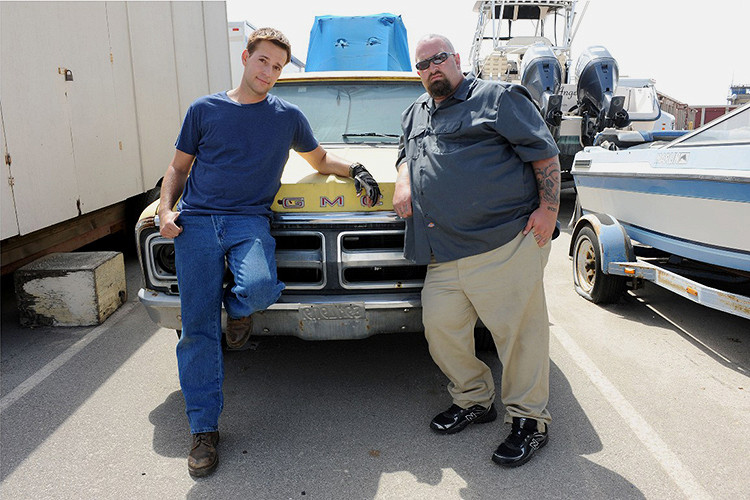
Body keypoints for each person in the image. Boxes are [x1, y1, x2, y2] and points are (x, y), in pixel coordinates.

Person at [158, 27, 381, 478]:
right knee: (197, 330)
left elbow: (320, 160)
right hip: (197, 223)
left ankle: (238, 310)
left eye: (277, 67)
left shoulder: (287, 116)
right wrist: (165, 210)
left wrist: (356, 167)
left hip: (248, 221)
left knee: (259, 288)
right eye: (263, 61)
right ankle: (203, 429)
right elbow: (178, 167)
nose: (269, 72)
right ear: (246, 57)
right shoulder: (204, 109)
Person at [393, 34, 560, 468]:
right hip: (442, 252)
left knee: (519, 337)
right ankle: (474, 400)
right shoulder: (415, 111)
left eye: (438, 58)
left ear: (456, 59)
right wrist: (403, 180)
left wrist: (548, 208)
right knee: (441, 329)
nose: (431, 68)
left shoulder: (499, 98)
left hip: (502, 242)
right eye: (422, 64)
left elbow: (544, 154)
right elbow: (404, 153)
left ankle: (529, 421)